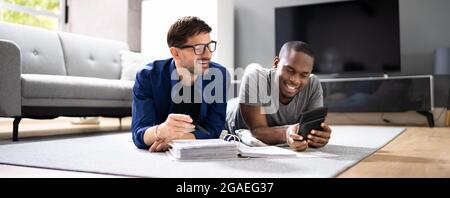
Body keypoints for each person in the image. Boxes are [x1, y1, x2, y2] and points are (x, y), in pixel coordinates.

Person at [132, 16, 230, 152]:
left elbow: (214, 129)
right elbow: (139, 134)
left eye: (209, 46)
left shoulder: (219, 74)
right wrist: (160, 131)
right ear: (175, 53)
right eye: (199, 48)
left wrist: (175, 139)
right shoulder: (147, 76)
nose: (208, 55)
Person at [226, 41, 332, 151]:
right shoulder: (255, 77)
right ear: (276, 63)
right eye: (290, 70)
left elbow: (310, 130)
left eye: (304, 75)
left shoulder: (313, 84)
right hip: (230, 115)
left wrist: (318, 136)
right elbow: (257, 131)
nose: (295, 80)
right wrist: (286, 133)